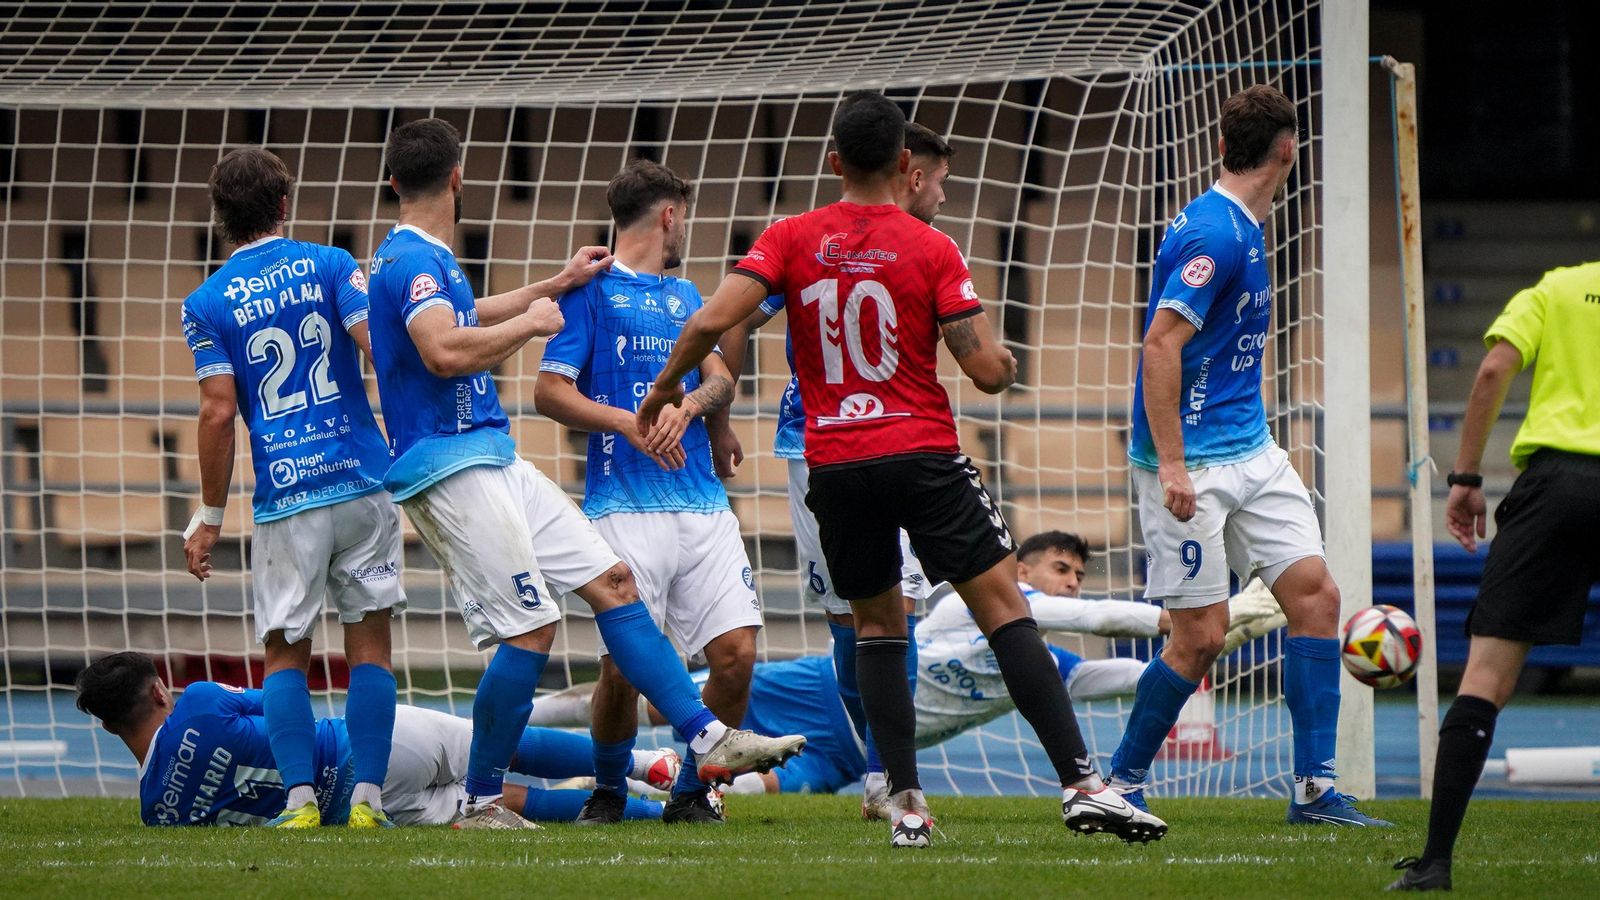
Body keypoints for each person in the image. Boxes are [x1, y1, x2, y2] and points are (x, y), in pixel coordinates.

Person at [636, 91, 1164, 848]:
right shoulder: (929, 246)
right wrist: (1006, 360)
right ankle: (1083, 785)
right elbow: (984, 371)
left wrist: (664, 391)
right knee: (1007, 609)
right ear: (907, 165)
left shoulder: (790, 236)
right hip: (920, 454)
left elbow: (708, 322)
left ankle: (905, 803)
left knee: (877, 626)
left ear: (835, 162)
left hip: (836, 465)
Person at [366, 118, 803, 829]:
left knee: (610, 584)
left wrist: (552, 285)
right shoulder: (414, 259)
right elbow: (445, 351)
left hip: (492, 454)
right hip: (450, 463)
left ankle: (704, 737)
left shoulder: (423, 258)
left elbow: (462, 316)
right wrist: (536, 322)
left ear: (394, 182)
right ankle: (482, 801)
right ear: (457, 178)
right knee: (532, 630)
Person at [1105, 84, 1388, 831]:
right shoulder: (1217, 235)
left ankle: (1313, 790)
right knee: (1197, 639)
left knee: (1318, 598)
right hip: (1191, 463)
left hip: (1253, 450)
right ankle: (1120, 783)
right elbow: (1159, 343)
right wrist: (1170, 465)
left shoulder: (1245, 224)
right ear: (1289, 149)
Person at [531, 531, 1285, 799]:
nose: (1069, 584)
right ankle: (532, 722)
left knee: (750, 792)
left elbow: (1137, 679)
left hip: (853, 749)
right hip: (819, 688)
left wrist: (1213, 642)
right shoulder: (970, 607)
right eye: (1059, 568)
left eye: (1079, 574)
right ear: (1020, 567)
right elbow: (1084, 618)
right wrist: (1178, 616)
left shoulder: (1050, 673)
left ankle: (622, 780)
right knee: (669, 699)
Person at [714, 121, 951, 819]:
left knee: (894, 612)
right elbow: (735, 316)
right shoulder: (818, 243)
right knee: (851, 623)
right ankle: (883, 773)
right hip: (822, 447)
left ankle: (890, 775)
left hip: (876, 451)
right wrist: (721, 408)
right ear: (908, 172)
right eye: (937, 177)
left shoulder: (919, 249)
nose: (941, 191)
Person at [179, 147, 402, 829]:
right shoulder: (334, 265)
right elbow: (381, 350)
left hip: (288, 497)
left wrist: (209, 515)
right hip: (363, 480)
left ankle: (301, 802)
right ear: (283, 206)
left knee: (284, 651)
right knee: (371, 643)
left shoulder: (206, 302)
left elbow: (218, 410)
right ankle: (367, 801)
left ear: (220, 218)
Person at [534, 159, 761, 825]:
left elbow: (719, 377)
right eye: (683, 216)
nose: (683, 227)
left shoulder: (689, 296)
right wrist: (626, 424)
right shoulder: (592, 293)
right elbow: (549, 391)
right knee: (621, 672)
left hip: (701, 502)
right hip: (622, 504)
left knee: (736, 656)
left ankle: (694, 792)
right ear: (667, 216)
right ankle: (608, 789)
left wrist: (699, 414)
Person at [1387, 260, 1600, 891]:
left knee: (1485, 679)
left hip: (1558, 486)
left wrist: (1466, 479)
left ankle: (1435, 864)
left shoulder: (1558, 287)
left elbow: (1493, 369)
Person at [72, 651, 678, 827]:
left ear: (106, 724)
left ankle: (656, 816)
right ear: (158, 693)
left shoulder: (159, 812)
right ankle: (651, 765)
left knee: (506, 806)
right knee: (499, 750)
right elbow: (289, 709)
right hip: (365, 754)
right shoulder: (199, 703)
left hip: (360, 814)